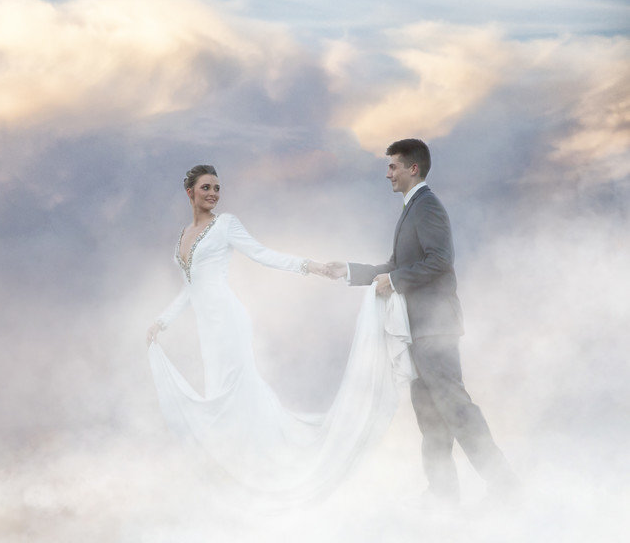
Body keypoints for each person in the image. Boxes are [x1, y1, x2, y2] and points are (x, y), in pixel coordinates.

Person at [146, 164, 415, 505]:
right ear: (190, 193)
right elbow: (190, 289)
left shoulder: (225, 225)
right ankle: (234, 471)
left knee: (234, 394)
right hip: (207, 329)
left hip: (229, 322)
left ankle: (255, 471)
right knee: (220, 393)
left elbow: (263, 255)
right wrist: (162, 322)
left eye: (217, 188)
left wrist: (310, 266)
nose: (213, 193)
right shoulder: (182, 235)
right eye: (206, 188)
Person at [326, 138, 517, 505]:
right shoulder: (412, 208)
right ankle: (443, 494)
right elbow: (395, 265)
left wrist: (394, 281)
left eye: (393, 166)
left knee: (457, 408)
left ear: (413, 168)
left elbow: (440, 260)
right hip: (419, 330)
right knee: (429, 416)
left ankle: (505, 485)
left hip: (436, 328)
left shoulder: (427, 206)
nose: (388, 174)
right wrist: (348, 271)